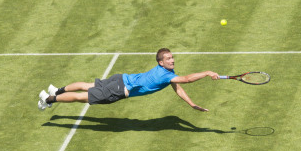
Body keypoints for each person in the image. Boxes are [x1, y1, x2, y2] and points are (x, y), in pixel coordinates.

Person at [38, 48, 220, 112]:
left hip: (121, 78)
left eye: (172, 57)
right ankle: (48, 99)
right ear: (161, 62)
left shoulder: (166, 73)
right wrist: (207, 72)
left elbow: (178, 87)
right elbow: (187, 79)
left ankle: (57, 90)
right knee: (81, 97)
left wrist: (191, 104)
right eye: (169, 59)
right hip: (118, 89)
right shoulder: (166, 74)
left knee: (87, 85)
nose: (172, 60)